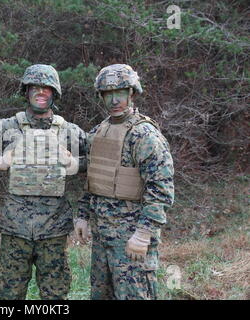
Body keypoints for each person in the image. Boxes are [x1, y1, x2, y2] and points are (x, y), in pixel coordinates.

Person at [0, 64, 87, 299]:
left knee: (55, 295)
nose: (40, 93)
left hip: (54, 229)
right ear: (26, 92)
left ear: (54, 93)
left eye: (46, 88)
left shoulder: (69, 132)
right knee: (9, 293)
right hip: (15, 229)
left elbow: (97, 162)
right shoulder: (7, 127)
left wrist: (74, 164)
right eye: (35, 88)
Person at [75, 64, 174, 300]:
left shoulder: (145, 135)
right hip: (102, 238)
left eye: (119, 92)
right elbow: (94, 178)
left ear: (132, 93)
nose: (114, 100)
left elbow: (161, 189)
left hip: (131, 240)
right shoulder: (99, 132)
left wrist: (143, 233)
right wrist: (82, 215)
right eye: (108, 94)